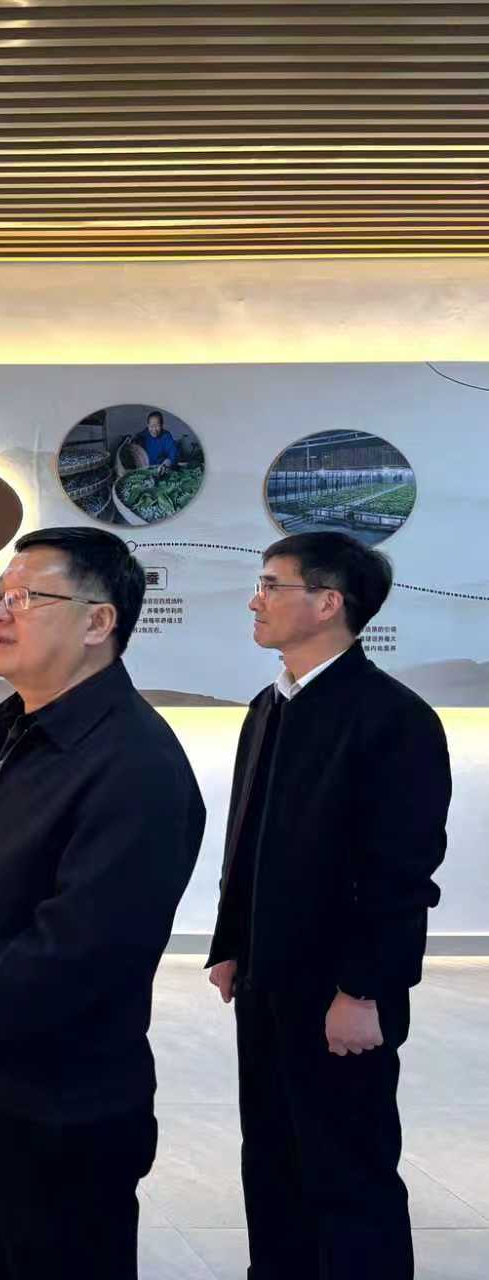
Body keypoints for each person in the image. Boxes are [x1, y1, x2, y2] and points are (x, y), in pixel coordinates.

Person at [0, 526, 204, 1280]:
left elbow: (77, 952)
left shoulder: (138, 766)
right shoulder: (2, 729)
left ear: (99, 622)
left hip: (57, 1112)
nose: (0, 611)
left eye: (26, 597)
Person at [206, 532, 451, 1280]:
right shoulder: (269, 706)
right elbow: (246, 839)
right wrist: (230, 942)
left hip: (340, 991)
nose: (255, 600)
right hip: (266, 981)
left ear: (327, 603)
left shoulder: (392, 718)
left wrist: (363, 990)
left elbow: (400, 874)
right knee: (271, 1156)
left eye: (271, 585)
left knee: (347, 1168)